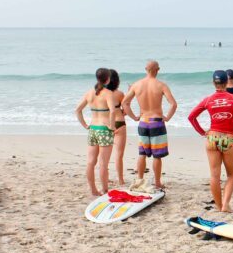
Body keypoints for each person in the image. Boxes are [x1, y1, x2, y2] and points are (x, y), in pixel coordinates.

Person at [188, 70, 233, 212]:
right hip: (228, 138)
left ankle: (218, 205)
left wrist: (202, 132)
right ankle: (225, 204)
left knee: (214, 175)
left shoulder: (208, 100)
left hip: (212, 138)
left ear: (213, 83)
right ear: (227, 82)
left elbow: (191, 117)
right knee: (231, 175)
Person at [122, 60, 178, 190]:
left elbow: (125, 103)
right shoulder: (161, 85)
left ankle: (139, 180)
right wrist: (167, 117)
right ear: (158, 70)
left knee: (142, 154)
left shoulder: (136, 85)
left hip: (143, 122)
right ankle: (157, 182)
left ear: (146, 69)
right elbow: (173, 104)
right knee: (157, 156)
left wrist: (134, 117)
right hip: (156, 122)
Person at [74, 68, 118, 196]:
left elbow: (78, 110)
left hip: (93, 129)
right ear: (108, 79)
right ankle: (104, 190)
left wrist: (85, 125)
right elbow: (113, 111)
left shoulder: (89, 93)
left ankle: (93, 190)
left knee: (90, 162)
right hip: (104, 130)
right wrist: (112, 126)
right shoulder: (108, 93)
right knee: (103, 164)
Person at [107, 69, 128, 186]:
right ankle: (120, 180)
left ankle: (105, 177)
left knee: (104, 155)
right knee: (119, 155)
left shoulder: (101, 94)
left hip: (105, 124)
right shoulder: (119, 94)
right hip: (119, 123)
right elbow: (125, 111)